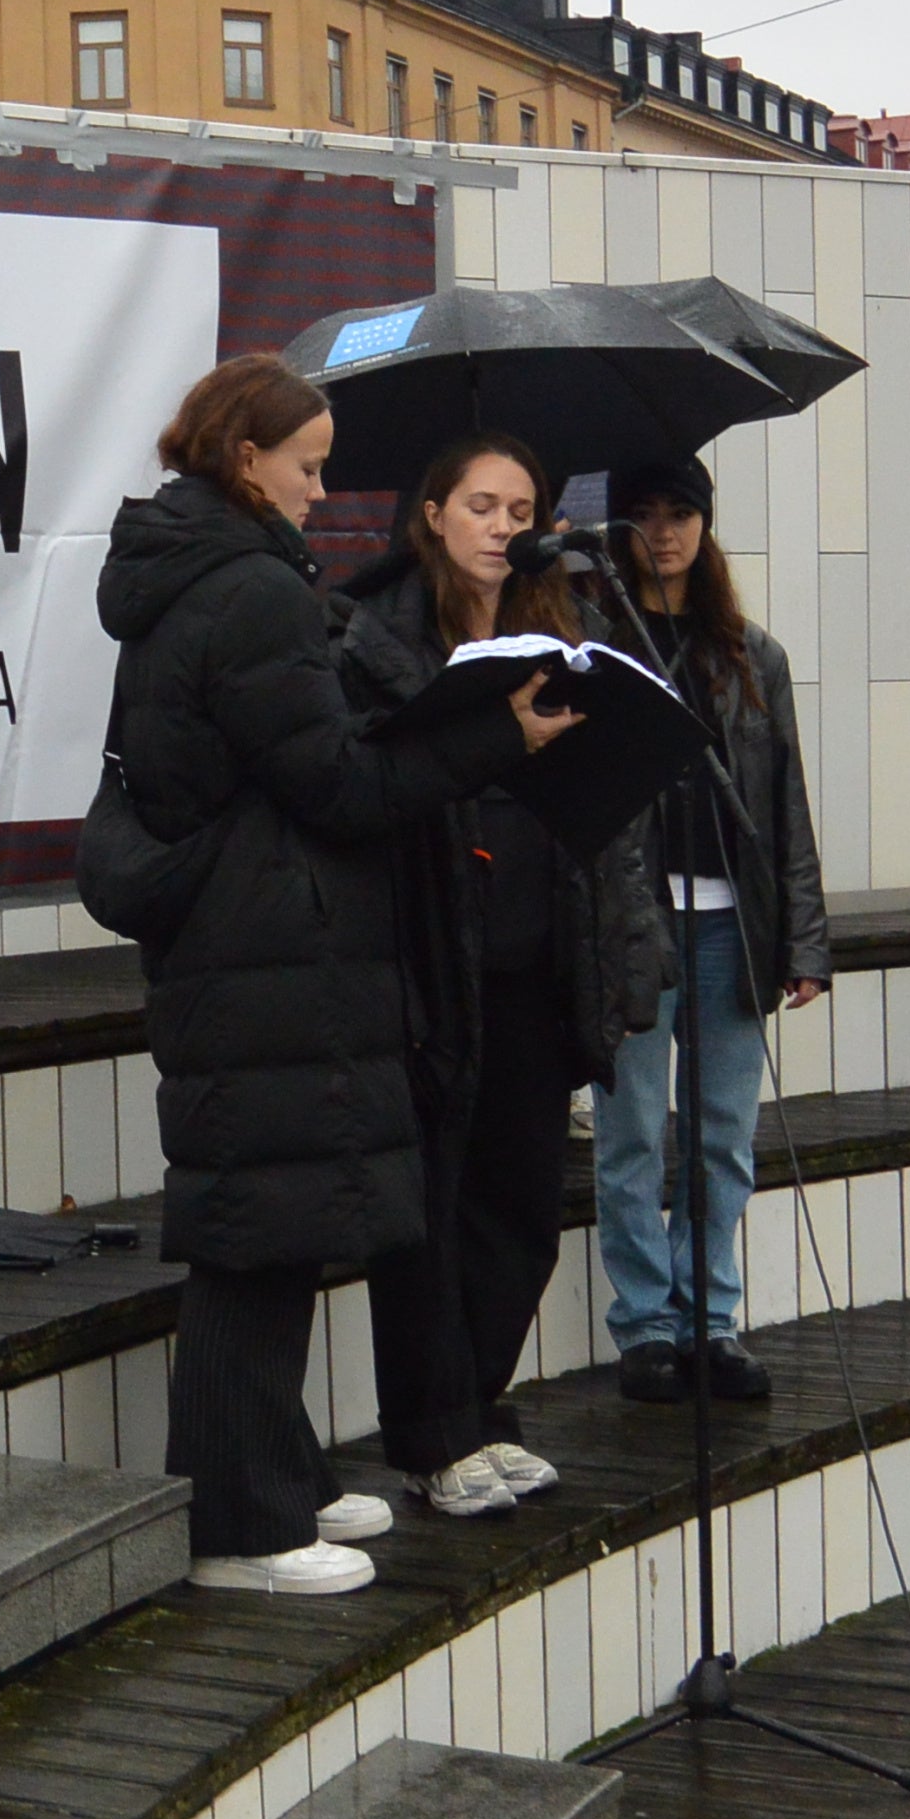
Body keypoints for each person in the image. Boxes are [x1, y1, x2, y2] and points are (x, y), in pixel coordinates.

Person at [96, 355, 575, 1593]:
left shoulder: (203, 576)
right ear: (244, 459)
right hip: (263, 954)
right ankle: (239, 1529)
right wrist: (488, 738)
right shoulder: (245, 592)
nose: (319, 489)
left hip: (253, 948)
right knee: (255, 1237)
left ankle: (285, 1478)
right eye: (307, 466)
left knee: (275, 1224)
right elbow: (337, 786)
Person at [339, 437, 669, 1515]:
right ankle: (431, 1435)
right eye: (479, 503)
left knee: (522, 1207)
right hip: (430, 965)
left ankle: (479, 1408)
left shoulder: (557, 632)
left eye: (518, 505)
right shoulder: (374, 636)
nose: (500, 523)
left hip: (537, 955)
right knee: (431, 1212)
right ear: (430, 513)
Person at [593, 456, 829, 1404]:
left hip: (734, 922)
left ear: (705, 524)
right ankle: (646, 1323)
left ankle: (712, 1318)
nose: (665, 531)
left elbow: (786, 805)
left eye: (681, 512)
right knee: (633, 1131)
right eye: (644, 513)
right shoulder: (597, 643)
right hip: (635, 926)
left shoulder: (749, 651)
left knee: (724, 1133)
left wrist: (807, 941)